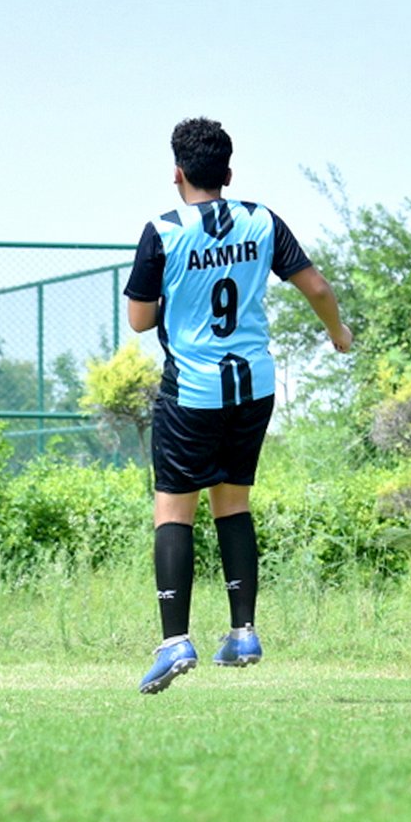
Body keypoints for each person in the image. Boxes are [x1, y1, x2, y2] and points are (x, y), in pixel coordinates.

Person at [124, 117, 352, 695]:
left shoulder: (164, 230)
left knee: (174, 513)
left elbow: (139, 319)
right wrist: (338, 333)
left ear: (177, 173)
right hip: (254, 388)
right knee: (234, 504)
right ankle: (243, 632)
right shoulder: (262, 220)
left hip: (192, 392)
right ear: (228, 173)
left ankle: (176, 641)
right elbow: (319, 289)